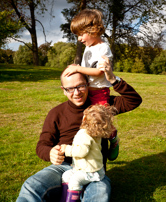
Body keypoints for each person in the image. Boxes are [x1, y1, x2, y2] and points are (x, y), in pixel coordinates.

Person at [16, 56, 142, 202]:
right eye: (70, 88)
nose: (76, 93)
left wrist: (113, 79)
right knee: (31, 186)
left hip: (94, 171)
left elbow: (134, 100)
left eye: (80, 86)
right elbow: (42, 145)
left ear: (88, 85)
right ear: (63, 90)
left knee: (99, 196)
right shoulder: (56, 113)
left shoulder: (101, 107)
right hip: (63, 168)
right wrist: (50, 153)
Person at [63, 9, 119, 161]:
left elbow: (100, 71)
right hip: (87, 90)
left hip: (100, 92)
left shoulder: (103, 48)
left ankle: (113, 139)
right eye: (77, 35)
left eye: (81, 34)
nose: (79, 38)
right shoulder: (88, 47)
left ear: (93, 30)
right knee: (85, 121)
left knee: (101, 122)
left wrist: (78, 68)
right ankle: (87, 150)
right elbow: (86, 70)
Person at [60, 104, 117, 202]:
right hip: (84, 168)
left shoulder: (84, 134)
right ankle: (66, 197)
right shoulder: (96, 132)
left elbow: (81, 152)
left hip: (91, 172)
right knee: (66, 175)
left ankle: (72, 199)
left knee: (74, 181)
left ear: (84, 118)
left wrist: (66, 149)